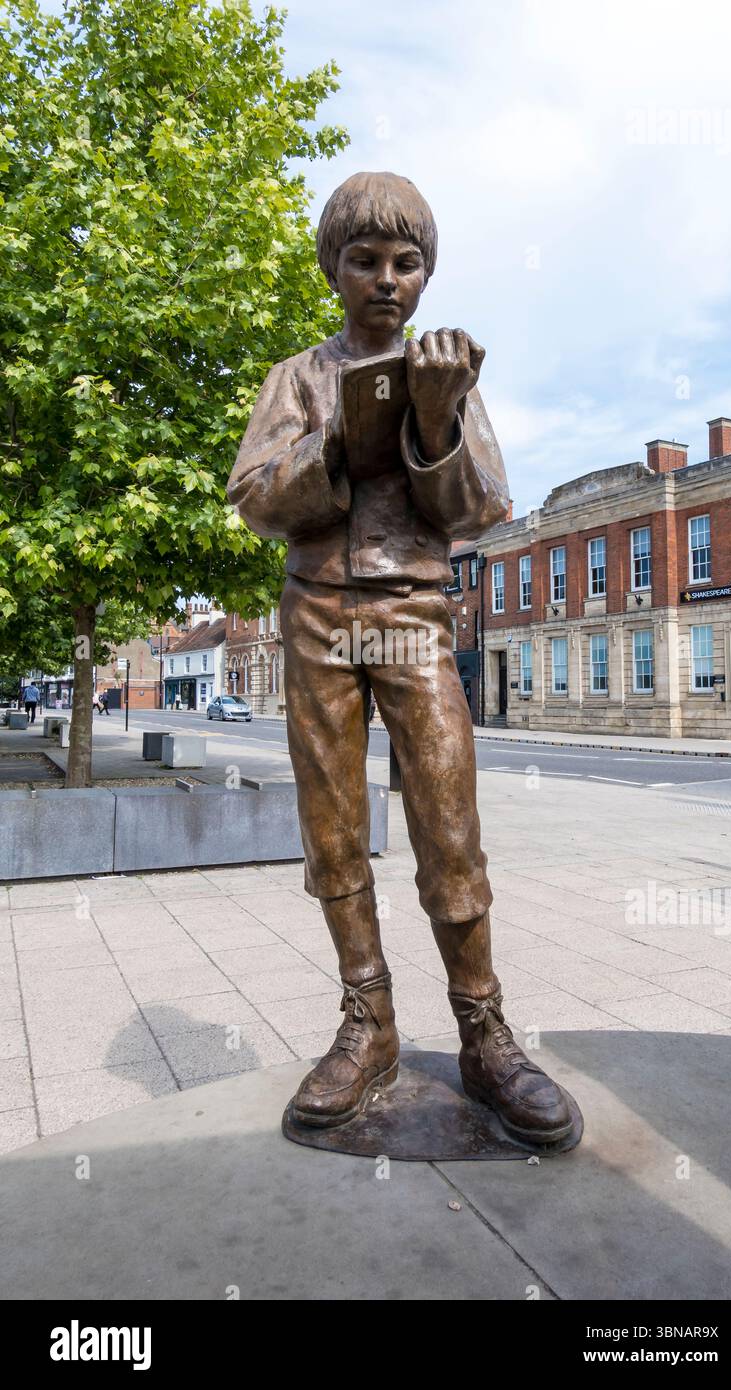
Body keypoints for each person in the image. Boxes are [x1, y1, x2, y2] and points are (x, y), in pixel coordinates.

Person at [227, 171, 579, 1147]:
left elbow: (479, 508)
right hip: (316, 618)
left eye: (407, 262)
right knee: (333, 828)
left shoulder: (448, 370)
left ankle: (484, 1028)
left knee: (447, 822)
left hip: (416, 615)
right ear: (332, 268)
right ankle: (368, 1020)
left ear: (426, 273)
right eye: (366, 260)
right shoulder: (296, 375)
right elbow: (255, 497)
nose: (387, 279)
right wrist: (340, 437)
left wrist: (431, 416)